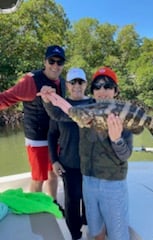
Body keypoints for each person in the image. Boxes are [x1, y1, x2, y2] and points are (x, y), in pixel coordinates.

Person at [39, 67, 133, 240]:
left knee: (118, 235)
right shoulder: (86, 112)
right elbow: (60, 112)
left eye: (108, 86)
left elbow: (125, 155)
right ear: (93, 91)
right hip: (88, 181)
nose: (102, 91)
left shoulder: (123, 114)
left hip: (112, 184)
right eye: (98, 86)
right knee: (95, 232)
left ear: (116, 90)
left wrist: (116, 139)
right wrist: (47, 98)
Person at [0, 45, 66, 209]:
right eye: (52, 61)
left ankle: (52, 203)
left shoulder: (63, 83)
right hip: (36, 139)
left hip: (55, 138)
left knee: (53, 174)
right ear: (45, 61)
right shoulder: (30, 81)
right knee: (39, 177)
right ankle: (34, 208)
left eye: (60, 62)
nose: (55, 66)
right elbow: (6, 98)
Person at [44, 68, 94, 240]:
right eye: (73, 82)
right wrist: (54, 160)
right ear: (67, 85)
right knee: (72, 203)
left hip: (92, 165)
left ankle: (91, 229)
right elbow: (51, 134)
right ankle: (75, 235)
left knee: (91, 201)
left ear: (86, 84)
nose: (77, 86)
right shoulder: (59, 107)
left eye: (80, 82)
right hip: (69, 164)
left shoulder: (96, 104)